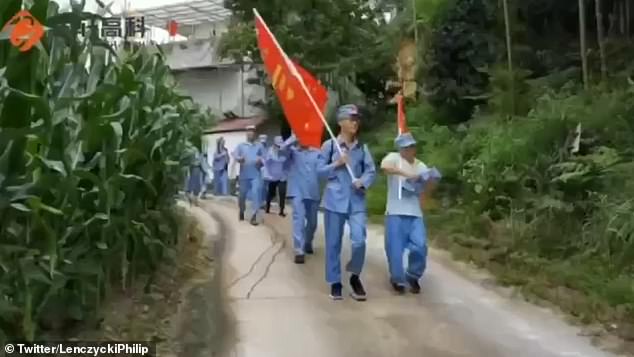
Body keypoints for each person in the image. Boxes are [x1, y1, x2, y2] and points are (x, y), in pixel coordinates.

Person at [317, 104, 376, 301]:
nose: (355, 123)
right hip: (334, 200)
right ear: (341, 122)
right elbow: (318, 171)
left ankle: (354, 275)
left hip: (356, 200)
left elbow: (370, 171)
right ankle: (335, 281)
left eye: (357, 119)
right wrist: (337, 163)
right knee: (333, 243)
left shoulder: (362, 147)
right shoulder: (330, 146)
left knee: (359, 240)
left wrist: (363, 181)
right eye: (351, 119)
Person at [381, 132, 441, 294]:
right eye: (405, 147)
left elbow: (427, 187)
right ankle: (397, 279)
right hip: (395, 211)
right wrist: (406, 175)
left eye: (411, 146)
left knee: (420, 246)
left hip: (414, 212)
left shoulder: (420, 165)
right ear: (400, 148)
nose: (409, 150)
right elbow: (385, 168)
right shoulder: (394, 158)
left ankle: (413, 274)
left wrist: (429, 182)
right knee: (395, 248)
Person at [279, 134, 321, 264]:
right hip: (297, 192)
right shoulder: (292, 153)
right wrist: (293, 138)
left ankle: (308, 241)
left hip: (313, 192)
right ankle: (299, 250)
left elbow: (325, 168)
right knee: (299, 220)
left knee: (313, 223)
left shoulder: (318, 153)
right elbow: (281, 151)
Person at [233, 126, 266, 226]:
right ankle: (242, 210)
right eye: (249, 132)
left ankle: (254, 216)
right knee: (242, 195)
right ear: (246, 134)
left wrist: (261, 161)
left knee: (256, 193)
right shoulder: (241, 146)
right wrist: (239, 159)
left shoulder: (259, 146)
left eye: (252, 132)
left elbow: (265, 158)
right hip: (244, 175)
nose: (250, 133)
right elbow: (235, 155)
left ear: (255, 134)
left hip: (256, 174)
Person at [264, 136, 288, 217]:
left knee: (282, 192)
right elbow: (266, 164)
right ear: (274, 144)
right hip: (273, 176)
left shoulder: (284, 151)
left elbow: (287, 161)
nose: (279, 146)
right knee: (272, 193)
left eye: (280, 145)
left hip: (282, 176)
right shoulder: (270, 152)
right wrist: (268, 174)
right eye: (278, 145)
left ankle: (281, 210)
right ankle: (267, 206)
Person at [258, 134, 270, 209]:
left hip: (266, 171)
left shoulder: (267, 149)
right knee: (260, 187)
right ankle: (260, 202)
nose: (263, 143)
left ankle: (264, 202)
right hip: (260, 170)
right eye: (262, 142)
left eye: (264, 142)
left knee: (265, 187)